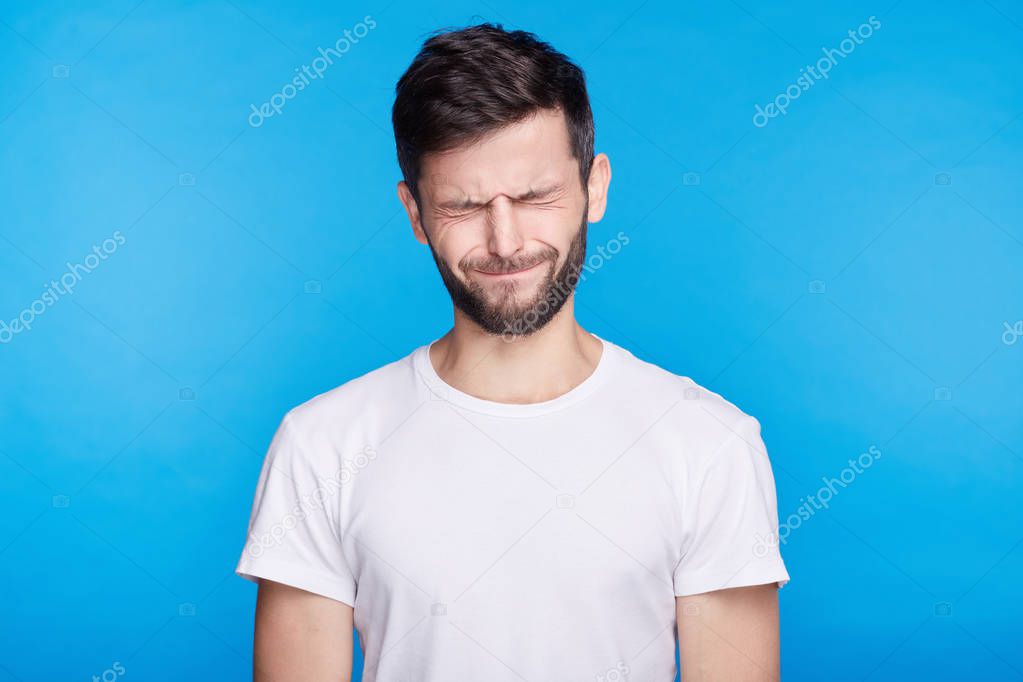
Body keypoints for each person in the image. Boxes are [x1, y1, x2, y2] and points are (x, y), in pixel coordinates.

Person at [236, 22, 790, 681]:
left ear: (595, 187)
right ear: (415, 214)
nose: (504, 242)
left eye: (534, 197)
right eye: (464, 205)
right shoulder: (321, 445)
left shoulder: (708, 444)